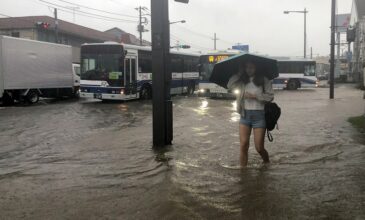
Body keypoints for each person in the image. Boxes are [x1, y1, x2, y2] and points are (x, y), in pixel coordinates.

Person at [227, 61, 274, 167]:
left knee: (259, 147)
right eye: (247, 67)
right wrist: (239, 73)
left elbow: (270, 96)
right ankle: (243, 172)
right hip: (245, 115)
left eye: (252, 67)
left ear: (257, 68)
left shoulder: (264, 80)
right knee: (243, 145)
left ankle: (266, 161)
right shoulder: (242, 81)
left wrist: (255, 96)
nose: (249, 70)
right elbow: (229, 85)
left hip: (259, 116)